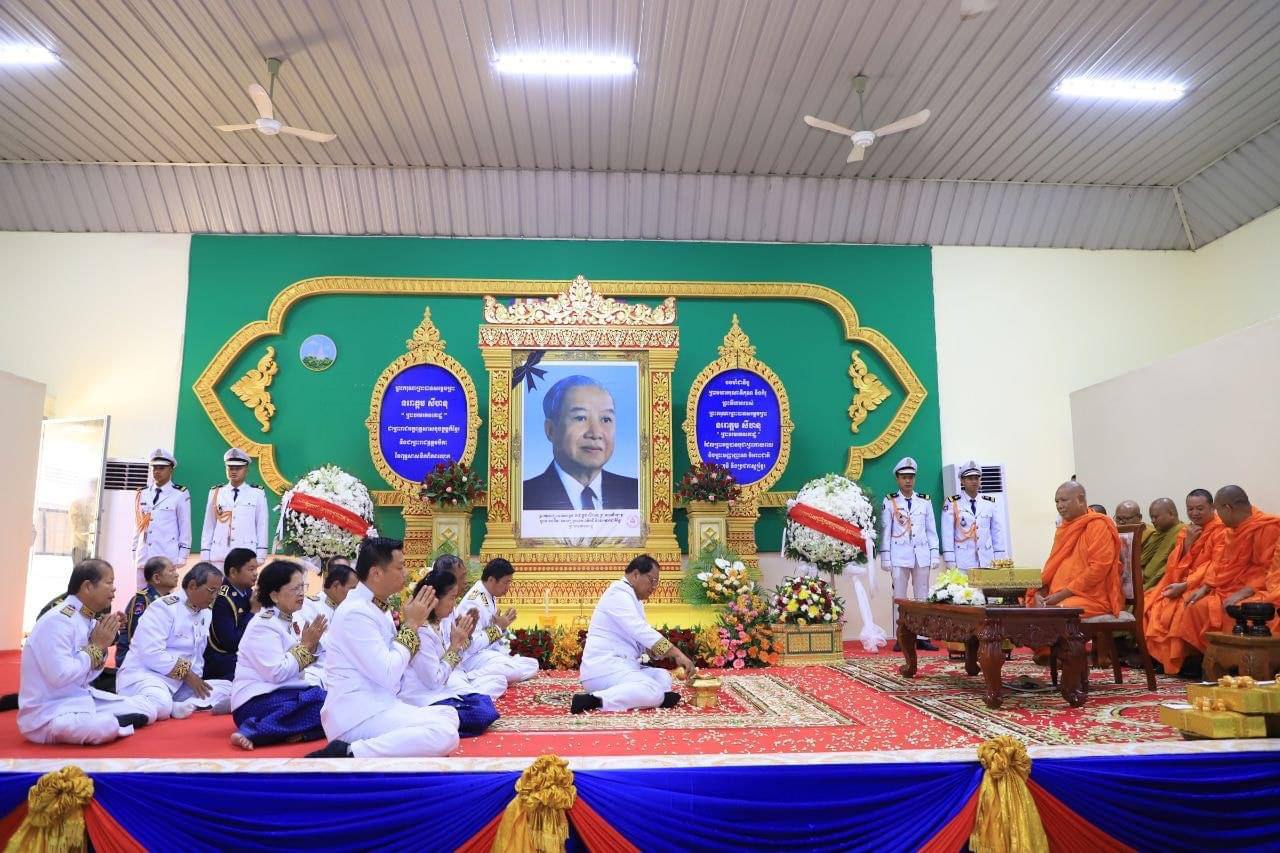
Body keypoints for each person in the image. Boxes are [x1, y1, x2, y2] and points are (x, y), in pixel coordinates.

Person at [308, 537, 460, 758]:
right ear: (376, 573)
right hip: (357, 715)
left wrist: (412, 625)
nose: (405, 573)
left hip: (380, 705)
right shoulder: (355, 613)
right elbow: (388, 673)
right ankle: (350, 752)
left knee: (449, 714)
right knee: (445, 734)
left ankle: (386, 749)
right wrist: (411, 625)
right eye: (400, 567)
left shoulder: (376, 607)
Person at [17, 560, 150, 745]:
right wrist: (96, 647)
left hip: (80, 699)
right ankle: (113, 722)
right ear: (88, 586)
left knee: (149, 709)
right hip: (50, 713)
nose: (114, 588)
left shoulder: (87, 619)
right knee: (104, 726)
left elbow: (89, 674)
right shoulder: (58, 620)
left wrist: (105, 640)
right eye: (109, 582)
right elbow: (60, 675)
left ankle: (112, 719)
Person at [572, 554, 696, 714]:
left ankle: (649, 697)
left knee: (662, 676)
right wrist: (676, 653)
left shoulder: (633, 599)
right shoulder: (617, 594)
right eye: (652, 580)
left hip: (623, 666)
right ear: (636, 574)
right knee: (653, 690)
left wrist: (656, 652)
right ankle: (595, 699)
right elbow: (641, 631)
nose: (654, 587)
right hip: (604, 669)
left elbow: (641, 641)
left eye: (656, 583)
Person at [229, 560, 328, 751]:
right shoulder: (263, 625)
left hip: (287, 693)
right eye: (295, 588)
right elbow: (277, 673)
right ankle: (253, 731)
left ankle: (291, 732)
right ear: (274, 595)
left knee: (335, 705)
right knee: (322, 704)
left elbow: (307, 658)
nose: (301, 593)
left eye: (303, 587)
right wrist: (306, 646)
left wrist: (312, 645)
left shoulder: (293, 618)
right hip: (256, 700)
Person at [116, 562, 232, 723]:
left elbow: (196, 656)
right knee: (161, 702)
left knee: (228, 687)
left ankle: (184, 704)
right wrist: (187, 674)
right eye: (211, 590)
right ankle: (172, 706)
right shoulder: (163, 608)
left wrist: (195, 681)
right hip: (148, 677)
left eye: (217, 592)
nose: (214, 597)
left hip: (180, 684)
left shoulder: (206, 613)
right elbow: (151, 653)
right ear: (192, 586)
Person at [399, 568, 502, 736]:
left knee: (485, 699)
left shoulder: (437, 623)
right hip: (422, 697)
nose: (454, 605)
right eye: (452, 598)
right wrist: (455, 646)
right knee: (481, 713)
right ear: (435, 600)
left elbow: (448, 665)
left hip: (444, 687)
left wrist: (460, 643)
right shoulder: (422, 632)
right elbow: (434, 681)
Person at [1177, 486, 1280, 654]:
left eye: (1218, 510)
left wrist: (1243, 593)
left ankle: (1240, 660)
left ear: (1228, 508)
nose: (1217, 516)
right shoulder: (1231, 529)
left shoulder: (1266, 527)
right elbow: (1220, 563)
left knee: (1238, 609)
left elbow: (1267, 569)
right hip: (1227, 587)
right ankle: (1206, 658)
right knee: (1196, 606)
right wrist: (1205, 587)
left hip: (1256, 588)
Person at [1144, 489, 1229, 675]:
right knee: (1150, 602)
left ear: (1212, 507)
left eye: (1200, 508)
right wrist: (1188, 544)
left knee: (1181, 606)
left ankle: (1187, 660)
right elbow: (1174, 567)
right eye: (1190, 509)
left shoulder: (1222, 530)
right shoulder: (1186, 531)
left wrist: (1186, 585)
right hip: (1183, 582)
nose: (1194, 513)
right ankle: (1160, 658)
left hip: (1207, 585)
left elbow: (1214, 566)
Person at [523, 375, 639, 510]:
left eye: (606, 419)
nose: (595, 434)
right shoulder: (523, 497)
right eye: (580, 418)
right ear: (551, 430)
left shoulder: (636, 492)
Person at [1030, 481, 1126, 620]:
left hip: (1092, 597)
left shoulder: (1099, 525)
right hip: (1058, 595)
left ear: (1080, 500)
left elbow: (1099, 568)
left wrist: (1062, 594)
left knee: (1056, 613)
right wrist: (1039, 594)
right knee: (1028, 605)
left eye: (1064, 500)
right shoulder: (1063, 529)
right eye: (1057, 501)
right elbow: (1052, 569)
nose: (1059, 506)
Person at [879, 457, 940, 651]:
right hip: (899, 554)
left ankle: (922, 636)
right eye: (904, 477)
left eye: (911, 477)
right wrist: (885, 557)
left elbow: (931, 530)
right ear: (897, 478)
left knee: (922, 596)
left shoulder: (924, 501)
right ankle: (902, 636)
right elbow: (885, 531)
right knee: (900, 597)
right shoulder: (890, 501)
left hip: (921, 554)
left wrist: (934, 553)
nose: (908, 480)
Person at [456, 558, 540, 687]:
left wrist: (502, 627)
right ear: (491, 580)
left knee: (532, 664)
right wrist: (499, 627)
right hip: (471, 657)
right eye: (505, 583)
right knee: (514, 670)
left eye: (509, 583)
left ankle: (496, 674)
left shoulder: (489, 595)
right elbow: (472, 644)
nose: (508, 588)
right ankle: (467, 677)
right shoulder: (474, 602)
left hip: (488, 653)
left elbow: (492, 632)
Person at [200, 448, 270, 564]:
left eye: (238, 468)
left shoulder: (257, 493)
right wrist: (205, 552)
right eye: (230, 467)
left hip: (246, 553)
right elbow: (209, 525)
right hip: (219, 554)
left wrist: (261, 554)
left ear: (247, 469)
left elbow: (261, 525)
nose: (233, 471)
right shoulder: (216, 492)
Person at [133, 449, 191, 579]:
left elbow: (185, 525)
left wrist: (183, 554)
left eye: (161, 468)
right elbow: (137, 526)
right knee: (141, 591)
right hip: (144, 555)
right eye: (154, 468)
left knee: (163, 590)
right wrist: (134, 550)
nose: (157, 471)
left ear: (171, 469)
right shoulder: (142, 493)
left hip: (166, 555)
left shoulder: (180, 493)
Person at [298, 562, 359, 688]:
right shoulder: (309, 606)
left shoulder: (350, 609)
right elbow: (312, 645)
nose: (356, 595)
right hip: (317, 669)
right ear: (336, 586)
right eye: (352, 589)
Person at [204, 548, 259, 680]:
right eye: (251, 569)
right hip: (223, 663)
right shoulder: (222, 599)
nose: (256, 573)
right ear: (233, 572)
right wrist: (253, 612)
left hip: (242, 655)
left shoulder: (248, 591)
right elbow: (232, 643)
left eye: (256, 569)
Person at [940, 460, 1006, 571]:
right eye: (970, 478)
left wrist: (1000, 556)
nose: (974, 481)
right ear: (962, 480)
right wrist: (950, 560)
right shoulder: (952, 503)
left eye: (976, 478)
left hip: (987, 560)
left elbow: (997, 531)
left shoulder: (989, 503)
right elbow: (947, 533)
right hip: (963, 561)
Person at [117, 556, 180, 667]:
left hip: (157, 656)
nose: (176, 574)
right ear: (156, 578)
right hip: (136, 662)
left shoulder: (171, 600)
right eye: (171, 571)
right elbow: (136, 637)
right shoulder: (143, 600)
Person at [1141, 498, 1184, 590]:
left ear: (1171, 514)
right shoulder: (1155, 535)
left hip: (1163, 584)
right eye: (1151, 517)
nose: (1152, 521)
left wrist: (1148, 585)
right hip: (1144, 581)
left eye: (1155, 517)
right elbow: (1142, 561)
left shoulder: (1183, 532)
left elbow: (1171, 565)